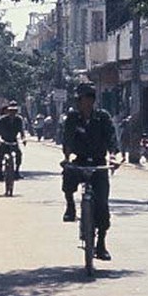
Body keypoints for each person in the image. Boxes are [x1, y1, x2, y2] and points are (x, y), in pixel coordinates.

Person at [62, 83, 120, 260]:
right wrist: (66, 156)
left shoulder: (103, 117)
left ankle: (101, 244)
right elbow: (67, 138)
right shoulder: (72, 118)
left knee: (102, 204)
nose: (86, 102)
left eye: (89, 98)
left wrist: (113, 156)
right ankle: (70, 206)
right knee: (68, 176)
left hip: (98, 163)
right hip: (79, 161)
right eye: (82, 99)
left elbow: (111, 137)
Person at [0, 101, 27, 184]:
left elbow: (22, 132)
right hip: (4, 141)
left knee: (19, 154)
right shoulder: (2, 120)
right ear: (8, 111)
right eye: (11, 111)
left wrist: (23, 139)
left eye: (15, 111)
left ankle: (17, 172)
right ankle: (0, 175)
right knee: (0, 157)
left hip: (13, 141)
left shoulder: (19, 120)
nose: (13, 113)